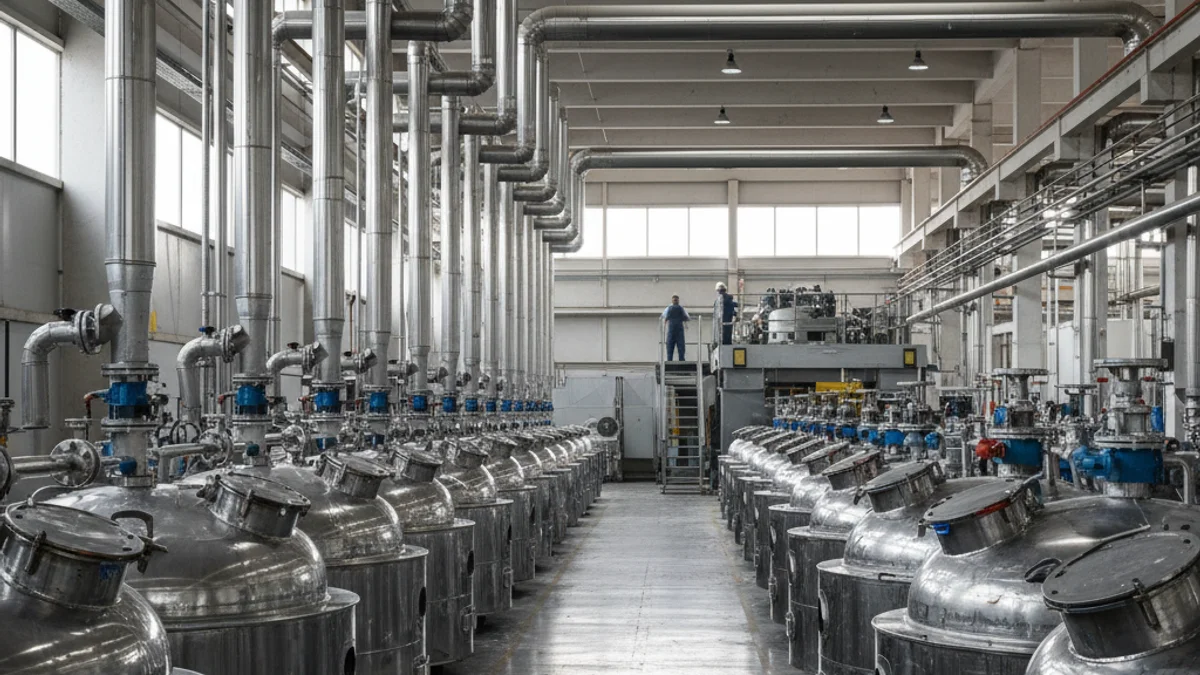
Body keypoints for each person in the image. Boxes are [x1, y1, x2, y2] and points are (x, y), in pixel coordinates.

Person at [661, 294, 690, 361]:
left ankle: (677, 360)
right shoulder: (675, 308)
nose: (675, 300)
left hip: (676, 331)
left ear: (678, 300)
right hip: (675, 331)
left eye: (676, 299)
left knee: (678, 346)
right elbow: (687, 318)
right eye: (674, 299)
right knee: (673, 346)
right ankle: (675, 360)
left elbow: (663, 317)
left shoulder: (675, 308)